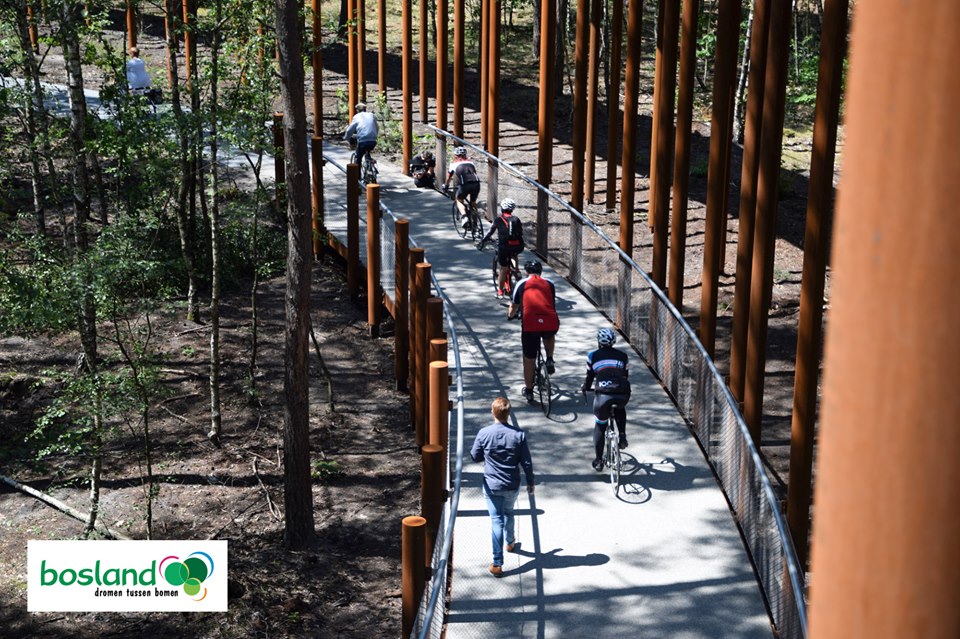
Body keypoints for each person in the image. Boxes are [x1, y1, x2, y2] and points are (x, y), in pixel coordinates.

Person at [470, 396, 535, 577]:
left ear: (493, 412)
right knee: (509, 512)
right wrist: (530, 482)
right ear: (508, 413)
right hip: (512, 484)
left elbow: (474, 456)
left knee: (496, 520)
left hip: (491, 485)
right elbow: (527, 463)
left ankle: (497, 563)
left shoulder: (484, 433)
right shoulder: (519, 435)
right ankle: (511, 542)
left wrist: (488, 455)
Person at [581, 327, 632, 472]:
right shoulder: (623, 356)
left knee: (600, 425)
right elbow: (625, 375)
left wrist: (586, 387)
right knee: (620, 407)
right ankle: (622, 436)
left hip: (602, 394)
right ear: (613, 341)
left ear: (599, 341)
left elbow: (589, 377)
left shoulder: (592, 356)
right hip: (622, 391)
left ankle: (598, 461)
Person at [507, 260, 558, 402]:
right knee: (549, 333)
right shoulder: (550, 283)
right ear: (541, 272)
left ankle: (529, 390)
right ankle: (549, 359)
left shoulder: (521, 284)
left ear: (526, 272)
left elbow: (514, 306)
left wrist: (510, 316)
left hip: (530, 324)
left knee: (529, 359)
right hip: (549, 320)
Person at [478, 198, 524, 298]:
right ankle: (516, 270)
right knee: (514, 253)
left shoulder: (498, 220)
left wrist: (483, 240)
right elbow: (520, 233)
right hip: (518, 245)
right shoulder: (517, 219)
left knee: (503, 268)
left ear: (502, 208)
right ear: (512, 209)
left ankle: (500, 291)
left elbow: (490, 232)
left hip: (504, 247)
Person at [443, 146, 481, 223]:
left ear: (455, 156)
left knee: (459, 200)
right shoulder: (471, 162)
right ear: (465, 155)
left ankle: (464, 217)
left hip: (465, 185)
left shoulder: (453, 164)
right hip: (476, 184)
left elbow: (449, 177)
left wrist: (446, 186)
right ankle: (476, 225)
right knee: (473, 203)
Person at [343, 102, 379, 169]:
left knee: (358, 158)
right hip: (373, 141)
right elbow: (377, 127)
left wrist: (346, 138)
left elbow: (349, 130)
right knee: (367, 151)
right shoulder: (371, 115)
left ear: (357, 110)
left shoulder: (356, 117)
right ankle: (370, 162)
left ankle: (358, 177)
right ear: (365, 109)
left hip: (363, 141)